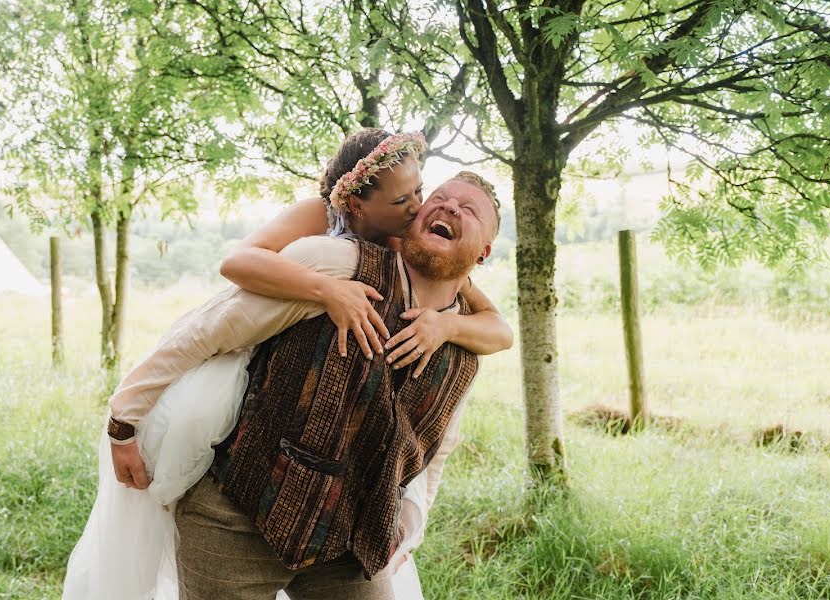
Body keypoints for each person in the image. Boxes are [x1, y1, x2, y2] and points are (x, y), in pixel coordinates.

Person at [62, 130, 510, 600]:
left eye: (469, 209)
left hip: (350, 544)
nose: (441, 207)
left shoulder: (468, 344)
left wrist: (410, 520)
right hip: (238, 517)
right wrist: (123, 417)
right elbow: (211, 325)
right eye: (438, 198)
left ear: (483, 253)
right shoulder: (334, 260)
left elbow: (434, 447)